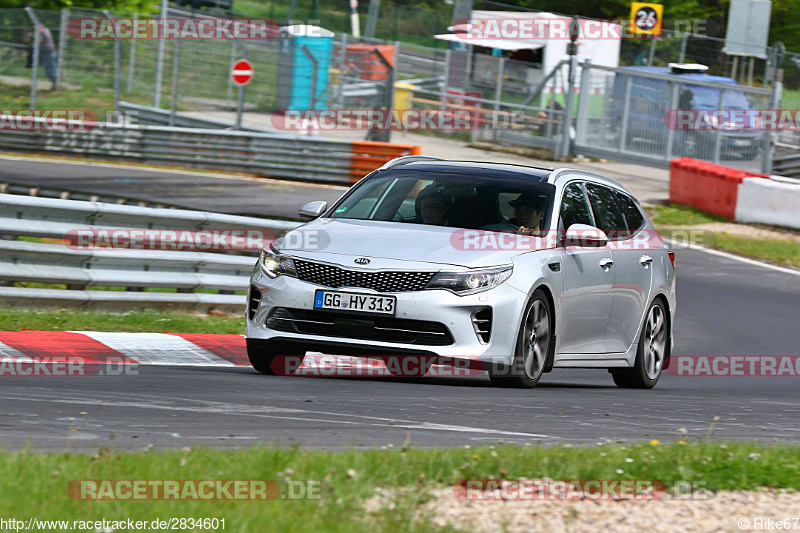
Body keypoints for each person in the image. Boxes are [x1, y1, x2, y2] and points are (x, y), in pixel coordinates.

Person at [37, 25, 58, 90]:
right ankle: (55, 83)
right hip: (50, 54)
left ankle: (56, 84)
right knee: (50, 71)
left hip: (49, 54)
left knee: (50, 71)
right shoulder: (46, 32)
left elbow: (40, 41)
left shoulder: (44, 33)